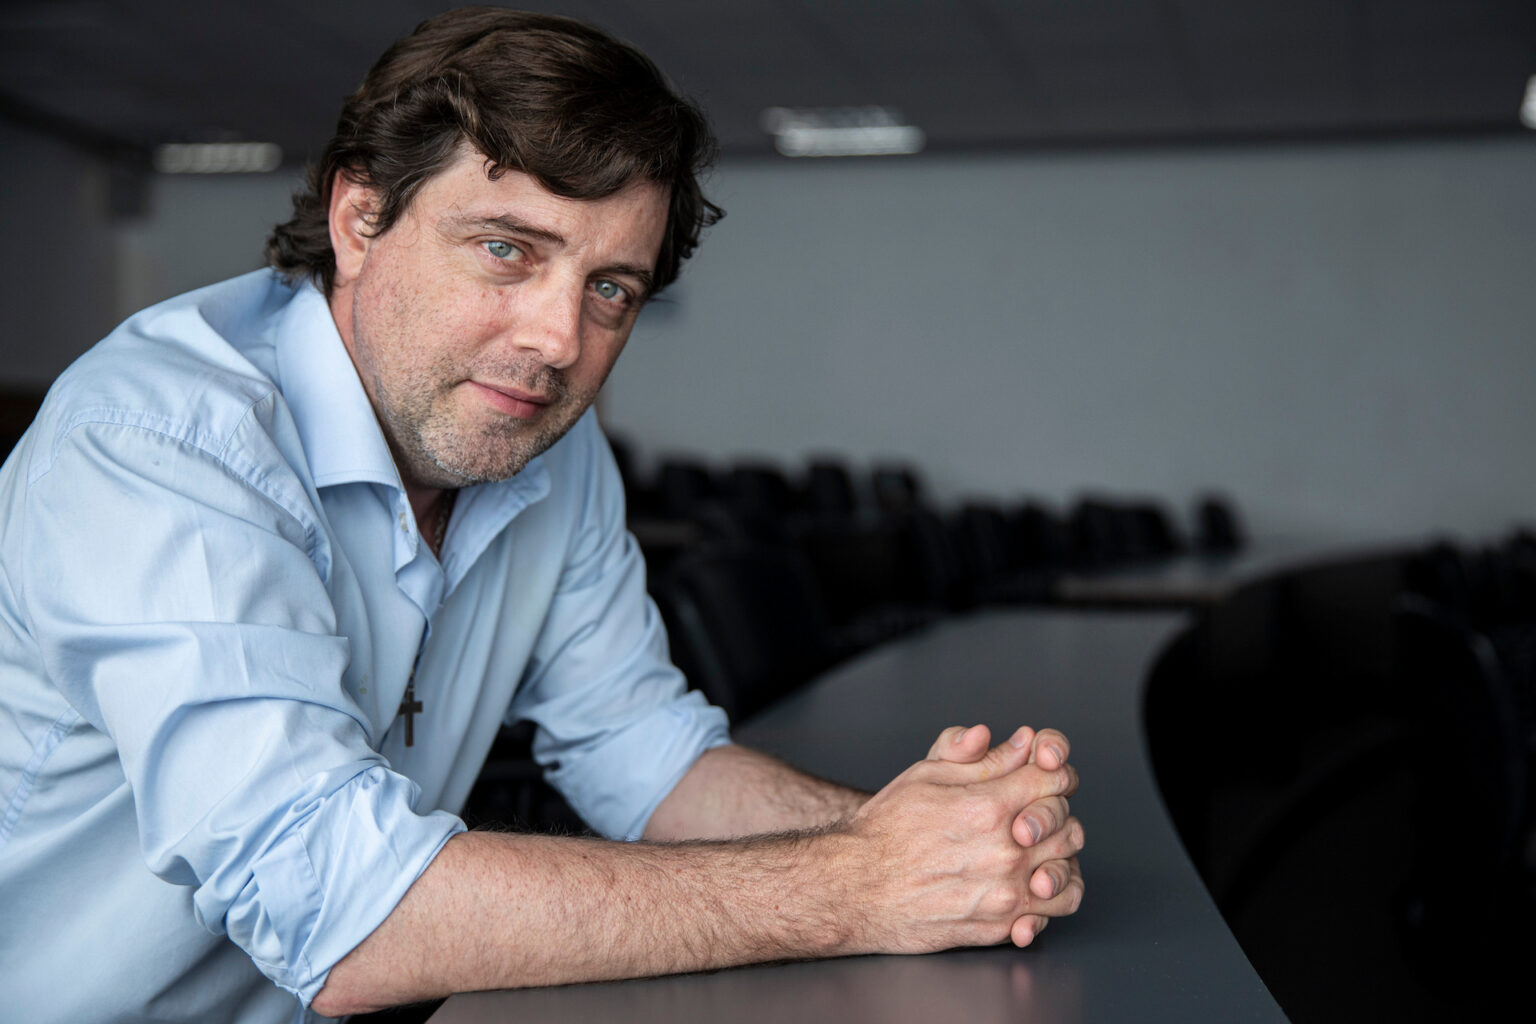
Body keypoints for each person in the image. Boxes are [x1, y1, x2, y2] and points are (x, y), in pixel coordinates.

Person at [0, 9, 1084, 1022]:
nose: (561, 341)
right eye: (507, 250)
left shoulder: (545, 447)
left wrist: (945, 844)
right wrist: (855, 883)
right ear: (360, 218)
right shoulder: (158, 443)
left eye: (611, 288)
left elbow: (641, 752)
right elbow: (338, 903)